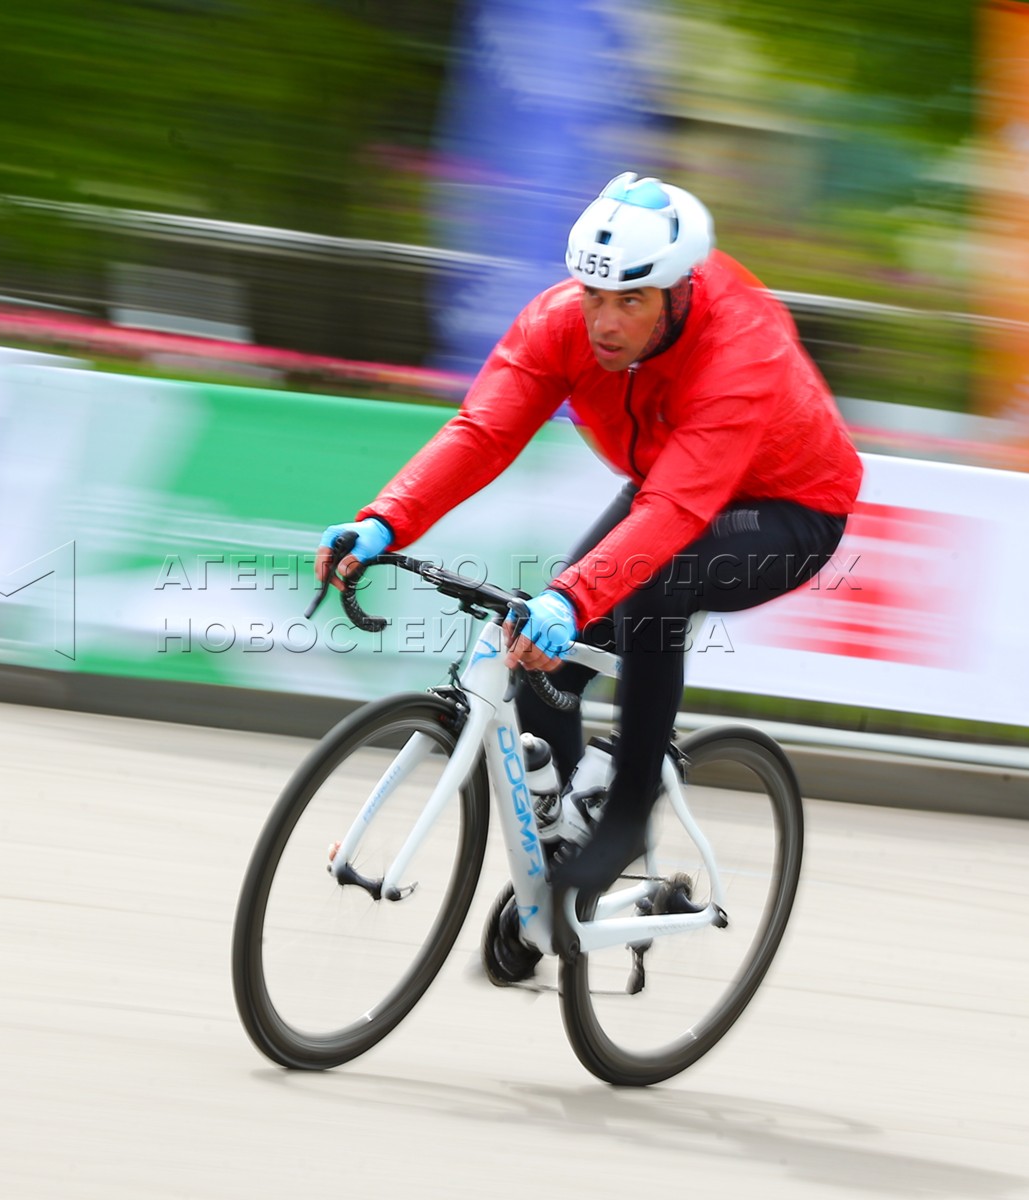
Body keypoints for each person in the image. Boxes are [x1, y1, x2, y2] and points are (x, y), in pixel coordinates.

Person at [314, 172, 863, 969]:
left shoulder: (742, 343)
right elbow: (483, 432)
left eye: (630, 302)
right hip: (667, 484)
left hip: (787, 508)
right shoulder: (561, 322)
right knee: (538, 659)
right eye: (594, 296)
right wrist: (383, 521)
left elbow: (677, 513)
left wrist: (572, 597)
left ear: (679, 292)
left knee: (652, 585)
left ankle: (627, 811)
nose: (605, 322)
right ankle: (566, 876)